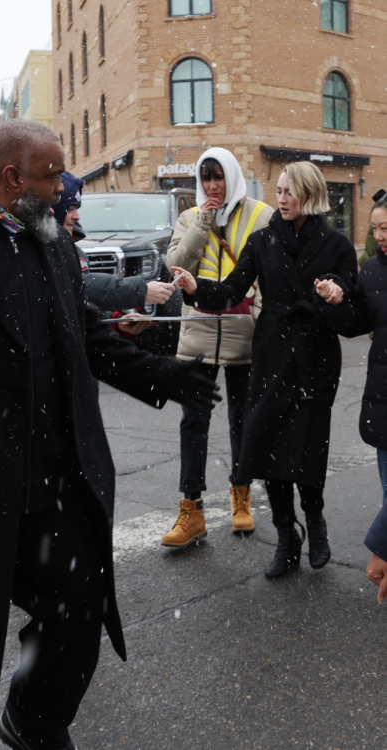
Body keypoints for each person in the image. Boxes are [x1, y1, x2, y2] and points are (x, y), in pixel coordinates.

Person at [0, 119, 220, 750]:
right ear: (12, 178)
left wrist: (163, 374)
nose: (65, 185)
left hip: (50, 489)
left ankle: (32, 721)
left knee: (76, 613)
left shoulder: (52, 246)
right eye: (52, 173)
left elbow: (83, 334)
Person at [171, 160, 358, 577]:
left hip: (316, 359)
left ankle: (315, 520)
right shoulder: (262, 241)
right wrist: (195, 287)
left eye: (289, 191)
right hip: (272, 353)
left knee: (309, 451)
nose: (282, 198)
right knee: (267, 448)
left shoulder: (337, 246)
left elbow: (351, 315)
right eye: (278, 191)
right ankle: (286, 537)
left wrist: (336, 295)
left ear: (309, 194)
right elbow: (231, 290)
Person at [162, 147, 273, 547]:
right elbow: (176, 265)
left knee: (242, 420)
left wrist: (260, 315)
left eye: (219, 177)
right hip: (200, 332)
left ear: (233, 177)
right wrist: (204, 221)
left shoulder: (261, 214)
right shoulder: (190, 217)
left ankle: (240, 498)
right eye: (206, 178)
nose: (212, 185)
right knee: (194, 421)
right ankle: (191, 509)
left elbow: (271, 271)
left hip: (244, 332)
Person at [313, 193, 387, 601]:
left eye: (386, 228)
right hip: (382, 399)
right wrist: (335, 301)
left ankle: (381, 554)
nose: (380, 237)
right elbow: (358, 321)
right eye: (376, 229)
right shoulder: (372, 270)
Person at [52, 170, 174, 315]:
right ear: (54, 209)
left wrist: (116, 322)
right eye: (70, 209)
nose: (77, 216)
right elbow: (78, 287)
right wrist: (140, 290)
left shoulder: (74, 249)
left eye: (77, 209)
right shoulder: (44, 248)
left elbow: (82, 307)